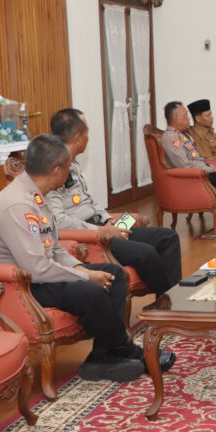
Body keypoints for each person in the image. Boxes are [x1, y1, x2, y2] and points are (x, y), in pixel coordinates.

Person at [0, 135, 175, 382]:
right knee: (92, 292)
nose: (71, 168)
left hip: (40, 273)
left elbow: (54, 246)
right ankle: (130, 351)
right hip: (19, 285)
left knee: (113, 275)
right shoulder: (17, 205)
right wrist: (85, 276)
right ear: (57, 170)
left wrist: (82, 268)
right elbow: (36, 269)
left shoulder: (37, 195)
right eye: (67, 165)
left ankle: (102, 357)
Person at [47, 108, 182, 298]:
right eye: (87, 133)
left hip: (102, 225)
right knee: (147, 253)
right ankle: (168, 301)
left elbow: (89, 201)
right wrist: (102, 230)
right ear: (77, 137)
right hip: (89, 235)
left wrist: (108, 220)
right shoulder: (54, 168)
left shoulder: (73, 163)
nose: (88, 138)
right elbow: (59, 221)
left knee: (168, 237)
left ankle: (172, 297)